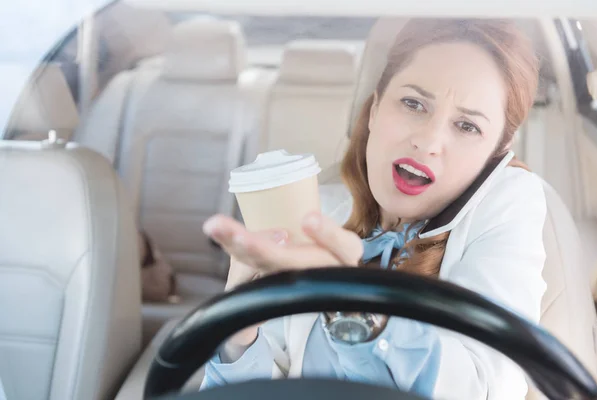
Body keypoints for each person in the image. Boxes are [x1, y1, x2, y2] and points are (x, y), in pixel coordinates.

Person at [200, 18, 546, 400]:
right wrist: (237, 332)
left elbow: (487, 387)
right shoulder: (322, 212)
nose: (428, 141)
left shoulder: (510, 206)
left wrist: (359, 310)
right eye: (413, 103)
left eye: (466, 126)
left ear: (495, 151)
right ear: (376, 108)